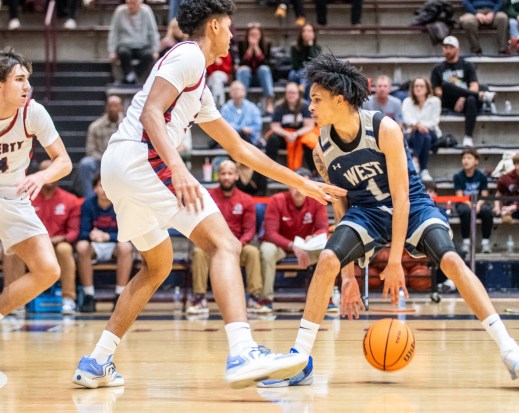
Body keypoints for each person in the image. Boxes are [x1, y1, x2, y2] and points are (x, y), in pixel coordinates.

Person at [71, 0, 345, 390]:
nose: (233, 35)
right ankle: (242, 349)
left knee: (157, 266)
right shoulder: (188, 56)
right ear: (214, 26)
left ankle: (97, 361)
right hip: (142, 159)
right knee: (224, 245)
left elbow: (240, 150)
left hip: (121, 167)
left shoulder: (199, 86)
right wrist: (179, 169)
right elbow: (151, 113)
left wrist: (300, 182)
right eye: (230, 27)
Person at [258, 54, 519, 388]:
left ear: (340, 99)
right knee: (329, 259)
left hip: (411, 205)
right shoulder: (322, 147)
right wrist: (347, 276)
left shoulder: (384, 128)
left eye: (317, 99)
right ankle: (300, 360)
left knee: (450, 259)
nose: (311, 107)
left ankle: (509, 349)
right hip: (366, 211)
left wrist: (394, 260)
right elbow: (340, 204)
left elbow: (402, 197)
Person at [0, 48, 73, 323]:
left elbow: (63, 161)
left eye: (28, 79)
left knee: (47, 270)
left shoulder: (33, 113)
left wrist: (41, 177)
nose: (27, 86)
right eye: (19, 79)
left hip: (15, 196)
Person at [188, 160, 269, 315]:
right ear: (218, 175)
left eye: (230, 173)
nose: (226, 177)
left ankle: (254, 298)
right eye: (223, 173)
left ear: (237, 176)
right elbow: (201, 224)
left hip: (237, 247)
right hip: (211, 246)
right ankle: (200, 299)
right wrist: (212, 243)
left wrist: (238, 245)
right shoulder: (208, 196)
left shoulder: (246, 200)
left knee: (253, 252)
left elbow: (249, 230)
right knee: (198, 253)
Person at [259, 168, 329, 308]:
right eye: (295, 185)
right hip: (282, 246)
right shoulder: (277, 200)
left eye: (302, 185)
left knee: (328, 253)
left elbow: (323, 228)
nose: (298, 190)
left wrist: (313, 236)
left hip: (307, 248)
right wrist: (292, 245)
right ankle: (266, 300)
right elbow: (270, 233)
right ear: (288, 185)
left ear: (310, 186)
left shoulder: (317, 201)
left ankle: (328, 300)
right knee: (266, 250)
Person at [76, 174, 133, 313]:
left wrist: (106, 236)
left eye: (109, 186)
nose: (105, 190)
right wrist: (93, 235)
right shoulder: (88, 204)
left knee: (126, 247)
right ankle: (89, 295)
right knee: (81, 246)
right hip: (94, 245)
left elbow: (128, 233)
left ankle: (120, 294)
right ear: (95, 188)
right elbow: (82, 233)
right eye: (101, 186)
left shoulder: (121, 204)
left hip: (114, 244)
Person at [31, 160, 81, 315]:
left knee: (65, 249)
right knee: (11, 251)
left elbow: (74, 232)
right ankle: (13, 302)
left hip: (58, 243)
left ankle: (68, 300)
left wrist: (62, 238)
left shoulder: (70, 200)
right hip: (34, 244)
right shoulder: (28, 198)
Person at [430, 36, 496, 147]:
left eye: (451, 47)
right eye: (445, 47)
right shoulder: (437, 68)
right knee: (446, 86)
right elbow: (438, 92)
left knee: (471, 99)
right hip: (448, 100)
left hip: (466, 101)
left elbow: (474, 85)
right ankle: (482, 96)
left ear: (457, 50)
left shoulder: (467, 65)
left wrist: (462, 97)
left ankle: (468, 137)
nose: (448, 50)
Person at [74, 95, 124, 198]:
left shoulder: (128, 125)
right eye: (110, 105)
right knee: (85, 164)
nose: (113, 108)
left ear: (121, 107)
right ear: (106, 107)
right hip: (101, 160)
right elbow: (91, 150)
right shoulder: (95, 126)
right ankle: (90, 200)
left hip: (123, 160)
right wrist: (106, 159)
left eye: (116, 105)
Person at [266, 82, 318, 172]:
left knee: (309, 142)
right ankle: (270, 169)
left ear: (298, 94)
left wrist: (296, 134)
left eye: (293, 93)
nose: (291, 95)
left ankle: (314, 171)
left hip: (301, 134)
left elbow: (309, 126)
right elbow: (275, 126)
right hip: (284, 135)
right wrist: (287, 134)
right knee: (272, 139)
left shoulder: (305, 106)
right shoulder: (279, 106)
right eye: (289, 93)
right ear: (285, 94)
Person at [108, 0, 160, 84]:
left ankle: (131, 76)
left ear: (140, 2)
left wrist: (155, 49)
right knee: (123, 52)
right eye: (128, 3)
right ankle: (130, 76)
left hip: (142, 45)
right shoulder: (119, 11)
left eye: (133, 3)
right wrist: (112, 51)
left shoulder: (146, 11)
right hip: (125, 44)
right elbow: (114, 32)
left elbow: (153, 31)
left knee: (149, 55)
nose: (131, 6)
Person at [453, 148, 494, 255]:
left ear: (476, 161)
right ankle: (466, 242)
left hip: (479, 202)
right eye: (464, 158)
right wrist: (471, 205)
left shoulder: (481, 176)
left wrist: (478, 204)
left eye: (469, 158)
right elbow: (460, 196)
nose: (465, 161)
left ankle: (486, 242)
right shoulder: (458, 176)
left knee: (487, 211)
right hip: (464, 203)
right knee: (465, 211)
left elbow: (484, 195)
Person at [402, 76, 441, 182]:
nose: (418, 88)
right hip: (413, 134)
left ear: (427, 89)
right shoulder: (407, 101)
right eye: (416, 86)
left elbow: (434, 121)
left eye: (421, 86)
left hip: (431, 132)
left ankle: (414, 160)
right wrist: (418, 126)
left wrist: (419, 125)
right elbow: (406, 119)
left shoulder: (435, 101)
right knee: (425, 137)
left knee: (426, 135)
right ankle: (424, 170)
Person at [236, 22, 275, 114]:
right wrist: (250, 49)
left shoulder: (267, 44)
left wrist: (256, 48)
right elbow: (241, 63)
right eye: (251, 35)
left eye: (256, 35)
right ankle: (240, 102)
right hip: (246, 77)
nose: (254, 37)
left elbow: (267, 64)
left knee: (264, 69)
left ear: (261, 35)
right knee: (243, 69)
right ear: (247, 35)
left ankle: (269, 102)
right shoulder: (242, 44)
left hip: (261, 77)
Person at [220, 81, 263, 147]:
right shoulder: (225, 109)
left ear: (244, 92)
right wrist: (241, 129)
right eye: (233, 89)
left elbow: (257, 125)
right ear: (230, 93)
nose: (236, 91)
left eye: (238, 89)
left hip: (250, 138)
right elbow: (224, 125)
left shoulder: (252, 107)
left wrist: (249, 129)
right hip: (231, 139)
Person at [288, 23, 322, 97]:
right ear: (301, 34)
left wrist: (310, 47)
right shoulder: (295, 47)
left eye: (309, 31)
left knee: (310, 76)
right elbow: (295, 65)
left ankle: (303, 87)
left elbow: (315, 64)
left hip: (310, 74)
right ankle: (302, 86)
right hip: (296, 73)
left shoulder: (317, 48)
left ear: (313, 34)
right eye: (304, 31)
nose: (307, 33)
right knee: (302, 72)